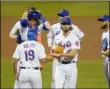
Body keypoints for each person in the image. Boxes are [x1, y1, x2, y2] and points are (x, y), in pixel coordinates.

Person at [47, 9, 84, 88]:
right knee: (56, 83)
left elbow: (73, 53)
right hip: (59, 64)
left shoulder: (74, 36)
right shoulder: (57, 37)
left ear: (70, 25)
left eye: (67, 24)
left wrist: (73, 47)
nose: (65, 25)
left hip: (71, 65)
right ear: (61, 25)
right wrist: (52, 54)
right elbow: (56, 50)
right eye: (63, 24)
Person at [98, 15, 110, 88]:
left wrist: (103, 52)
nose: (101, 23)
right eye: (100, 21)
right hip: (106, 60)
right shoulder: (104, 34)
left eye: (103, 21)